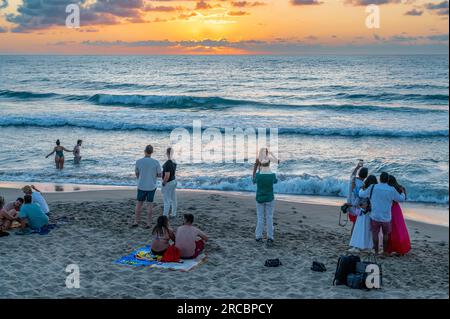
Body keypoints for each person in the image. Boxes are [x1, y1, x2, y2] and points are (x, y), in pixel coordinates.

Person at [359, 172, 406, 256]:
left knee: (375, 234)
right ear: (387, 179)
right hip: (386, 216)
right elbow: (401, 199)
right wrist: (402, 192)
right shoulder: (391, 189)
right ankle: (384, 251)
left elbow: (361, 194)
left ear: (380, 179)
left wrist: (362, 189)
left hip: (375, 215)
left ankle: (376, 251)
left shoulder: (373, 187)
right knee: (385, 234)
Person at [253, 148, 279, 245]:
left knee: (260, 218)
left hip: (259, 198)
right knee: (269, 217)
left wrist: (256, 167)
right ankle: (270, 237)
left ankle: (258, 237)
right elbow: (275, 181)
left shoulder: (258, 176)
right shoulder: (272, 175)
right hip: (269, 198)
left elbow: (253, 180)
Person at [134, 145, 162, 229]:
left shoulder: (138, 161)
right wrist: (153, 175)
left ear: (144, 151)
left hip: (141, 185)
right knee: (149, 205)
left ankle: (136, 221)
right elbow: (159, 174)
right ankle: (148, 223)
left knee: (139, 204)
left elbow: (137, 174)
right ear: (152, 152)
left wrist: (142, 178)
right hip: (151, 186)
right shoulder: (156, 162)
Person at [386, 175, 411, 256]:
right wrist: (403, 192)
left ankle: (389, 248)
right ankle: (401, 248)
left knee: (390, 229)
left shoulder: (388, 189)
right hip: (396, 209)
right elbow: (403, 198)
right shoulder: (399, 188)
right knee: (399, 228)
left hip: (388, 208)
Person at [347, 163, 369, 234]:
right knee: (355, 224)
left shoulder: (353, 179)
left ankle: (353, 238)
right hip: (356, 207)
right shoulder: (362, 185)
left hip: (349, 205)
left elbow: (353, 174)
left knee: (354, 223)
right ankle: (353, 238)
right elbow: (361, 197)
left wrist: (357, 167)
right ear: (366, 176)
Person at [162, 147, 177, 218]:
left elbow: (167, 175)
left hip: (168, 182)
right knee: (173, 198)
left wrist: (163, 183)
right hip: (174, 181)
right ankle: (173, 213)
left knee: (166, 200)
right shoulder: (174, 162)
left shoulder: (167, 163)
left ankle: (165, 215)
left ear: (167, 153)